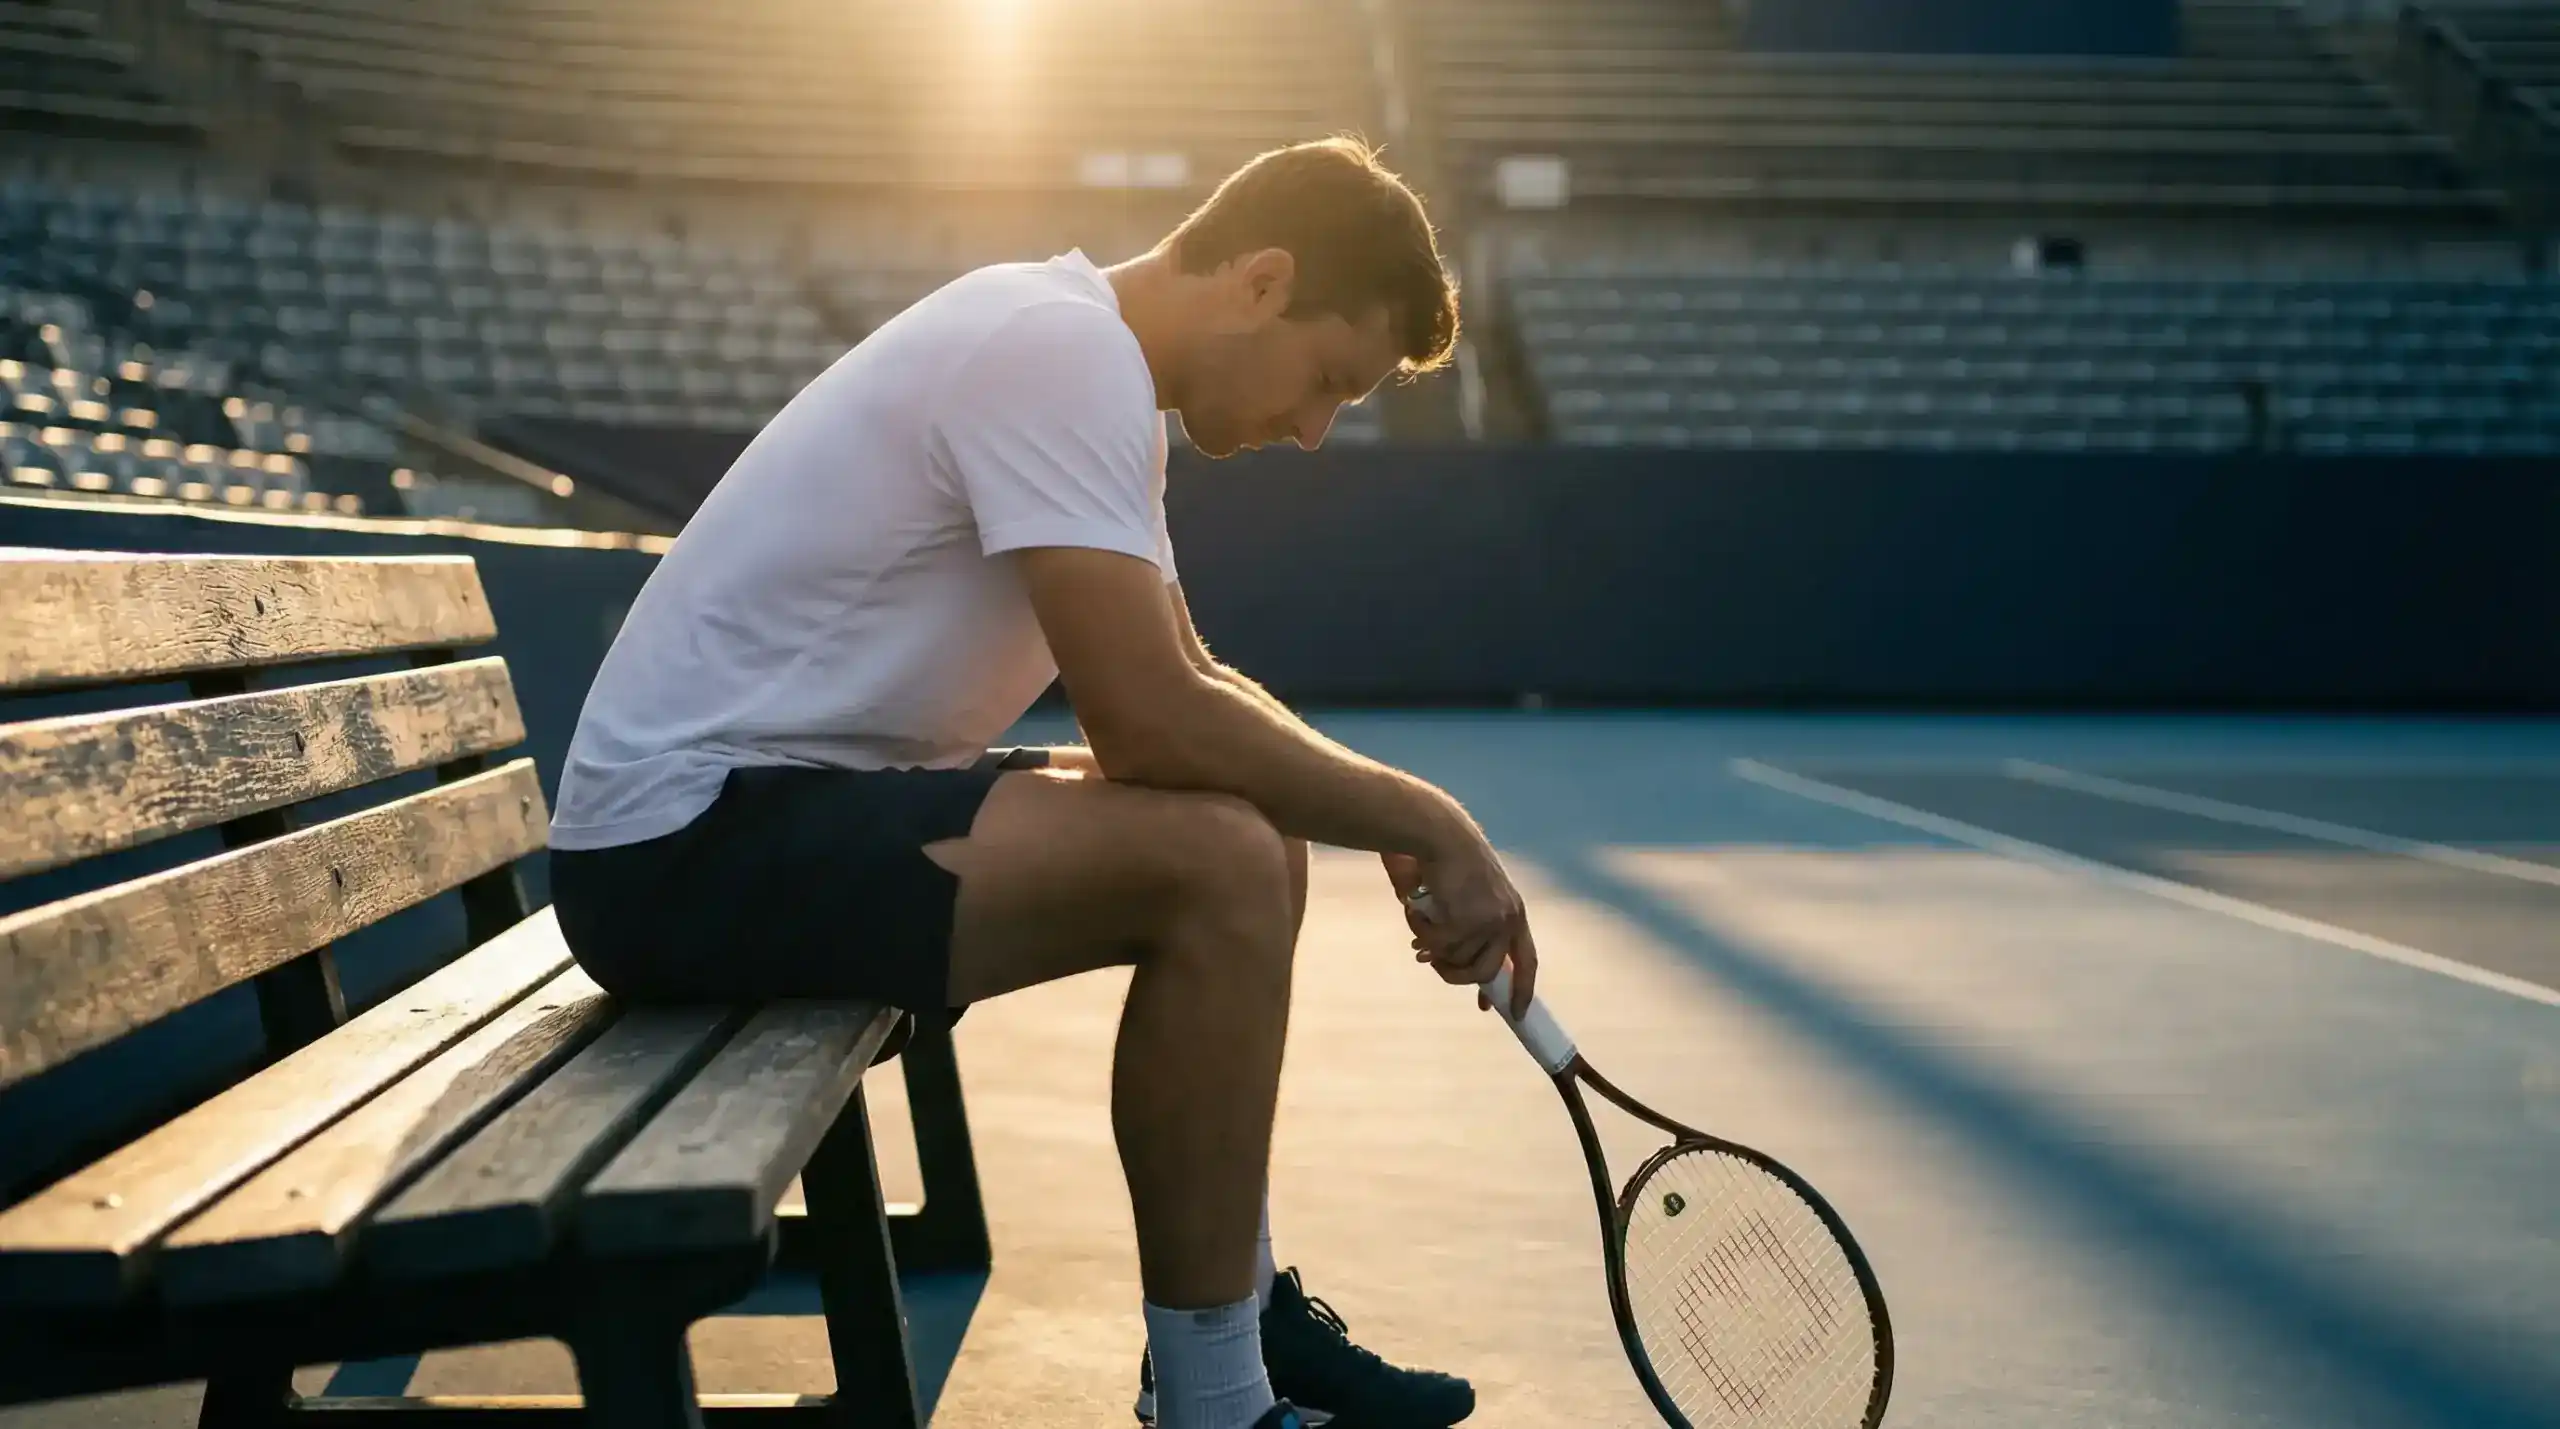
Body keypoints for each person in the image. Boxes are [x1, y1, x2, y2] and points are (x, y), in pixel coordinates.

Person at [546, 136, 1539, 1429]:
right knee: (1219, 859)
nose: (1312, 430)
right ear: (1261, 281)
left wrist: (1375, 812)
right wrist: (1427, 817)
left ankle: (1234, 1319)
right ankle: (1216, 1404)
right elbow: (1147, 723)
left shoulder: (1079, 349)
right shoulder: (1060, 353)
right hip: (681, 855)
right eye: (1327, 380)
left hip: (748, 821)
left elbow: (1190, 675)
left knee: (1257, 837)